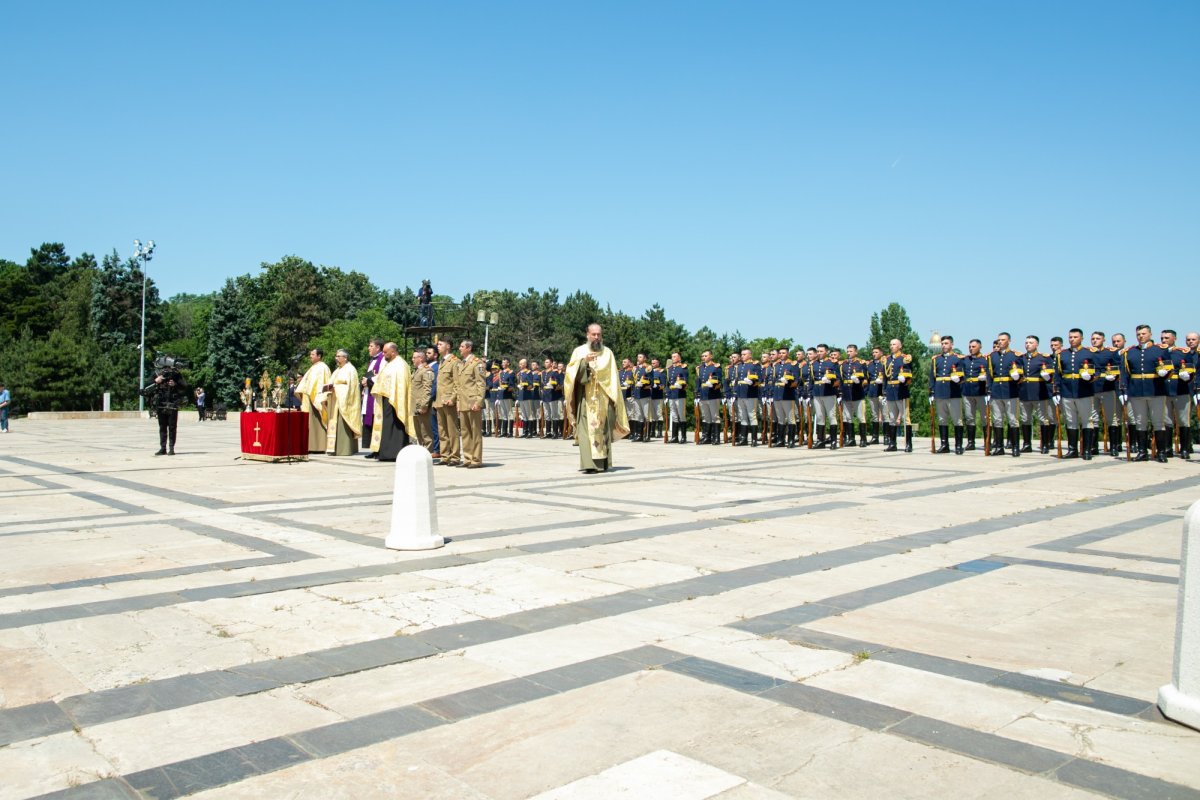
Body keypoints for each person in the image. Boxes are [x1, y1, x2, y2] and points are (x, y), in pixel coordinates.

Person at [565, 324, 630, 473]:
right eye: (593, 334)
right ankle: (589, 465)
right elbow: (570, 374)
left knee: (602, 430)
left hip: (603, 397)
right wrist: (584, 363)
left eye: (599, 334)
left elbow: (612, 377)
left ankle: (602, 464)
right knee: (584, 431)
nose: (596, 337)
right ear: (587, 335)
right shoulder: (579, 351)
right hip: (585, 397)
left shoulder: (608, 353)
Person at [1123, 324, 1170, 462]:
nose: (1141, 336)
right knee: (1140, 422)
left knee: (1158, 422)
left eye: (1143, 334)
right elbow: (1125, 373)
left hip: (1156, 389)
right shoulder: (1130, 352)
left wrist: (1165, 373)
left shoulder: (1160, 350)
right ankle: (1142, 452)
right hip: (1136, 391)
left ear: (1150, 334)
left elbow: (1169, 368)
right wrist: (1124, 390)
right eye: (1138, 334)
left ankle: (1161, 452)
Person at [1052, 328, 1098, 460]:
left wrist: (1091, 376)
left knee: (1086, 420)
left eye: (1075, 337)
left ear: (1081, 338)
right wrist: (1056, 391)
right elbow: (1058, 374)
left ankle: (1087, 450)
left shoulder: (1089, 353)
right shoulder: (1062, 354)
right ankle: (1072, 449)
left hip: (1083, 391)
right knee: (1070, 421)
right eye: (1070, 337)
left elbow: (1098, 371)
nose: (1072, 339)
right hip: (1067, 391)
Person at [369, 343, 412, 461]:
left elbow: (401, 384)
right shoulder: (390, 364)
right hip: (386, 399)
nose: (383, 354)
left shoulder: (400, 364)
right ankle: (386, 452)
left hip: (395, 400)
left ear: (393, 352)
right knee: (387, 427)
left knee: (395, 426)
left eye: (385, 352)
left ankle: (394, 453)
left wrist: (394, 396)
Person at [142, 358, 188, 456]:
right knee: (162, 427)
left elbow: (184, 386)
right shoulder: (156, 374)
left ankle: (171, 448)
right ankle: (163, 448)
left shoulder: (176, 374)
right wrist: (156, 381)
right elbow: (145, 387)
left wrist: (175, 384)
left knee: (172, 427)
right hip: (161, 403)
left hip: (172, 403)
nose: (166, 370)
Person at [987, 332, 1023, 457]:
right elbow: (990, 375)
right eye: (999, 340)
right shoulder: (992, 357)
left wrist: (1017, 377)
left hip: (1010, 390)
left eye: (1003, 340)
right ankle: (999, 447)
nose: (1000, 342)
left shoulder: (1015, 356)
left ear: (1009, 341)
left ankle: (1015, 447)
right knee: (997, 420)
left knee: (1013, 420)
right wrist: (989, 390)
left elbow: (1020, 375)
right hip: (996, 391)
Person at [1018, 335, 1054, 453]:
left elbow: (1050, 377)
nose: (1028, 344)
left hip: (1039, 392)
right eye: (1026, 342)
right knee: (1025, 419)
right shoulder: (1021, 358)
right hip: (1024, 392)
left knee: (1043, 419)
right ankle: (1027, 444)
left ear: (1037, 344)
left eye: (1031, 342)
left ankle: (1045, 444)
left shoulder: (1044, 358)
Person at [455, 340, 487, 468]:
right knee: (465, 431)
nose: (460, 348)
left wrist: (479, 401)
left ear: (469, 348)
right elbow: (459, 386)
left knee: (475, 431)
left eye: (462, 346)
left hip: (473, 402)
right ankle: (467, 458)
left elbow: (481, 383)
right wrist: (458, 402)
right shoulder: (461, 364)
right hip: (463, 402)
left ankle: (476, 459)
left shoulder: (477, 363)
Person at [929, 335, 964, 454]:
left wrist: (958, 379)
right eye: (942, 343)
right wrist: (931, 391)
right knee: (942, 419)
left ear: (951, 345)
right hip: (940, 392)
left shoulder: (958, 358)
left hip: (953, 392)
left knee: (957, 420)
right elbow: (932, 377)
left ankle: (958, 445)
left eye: (946, 343)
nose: (944, 346)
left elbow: (962, 377)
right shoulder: (936, 359)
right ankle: (944, 444)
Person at [322, 349, 361, 456]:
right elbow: (331, 382)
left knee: (342, 425)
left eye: (338, 356)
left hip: (344, 402)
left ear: (345, 358)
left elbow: (351, 388)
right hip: (335, 401)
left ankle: (344, 449)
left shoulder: (350, 369)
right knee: (335, 423)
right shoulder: (337, 370)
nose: (336, 358)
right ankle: (334, 449)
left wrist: (336, 388)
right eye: (336, 356)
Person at [296, 349, 332, 453]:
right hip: (309, 399)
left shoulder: (323, 367)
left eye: (312, 354)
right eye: (310, 354)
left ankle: (319, 446)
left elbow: (322, 383)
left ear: (319, 356)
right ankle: (311, 446)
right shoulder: (312, 368)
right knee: (310, 423)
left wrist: (319, 396)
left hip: (316, 399)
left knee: (317, 423)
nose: (310, 356)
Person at [433, 339, 461, 466]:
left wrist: (453, 398)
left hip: (449, 400)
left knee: (452, 430)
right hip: (439, 401)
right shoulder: (441, 361)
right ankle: (445, 456)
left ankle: (455, 456)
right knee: (442, 430)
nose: (437, 347)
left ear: (448, 346)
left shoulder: (454, 362)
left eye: (440, 344)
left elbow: (457, 383)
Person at [883, 338, 913, 452]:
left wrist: (904, 380)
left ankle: (908, 444)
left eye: (894, 344)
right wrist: (884, 391)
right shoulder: (886, 360)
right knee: (892, 418)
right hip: (890, 390)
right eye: (890, 344)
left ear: (900, 346)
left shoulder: (905, 359)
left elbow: (910, 375)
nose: (892, 346)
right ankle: (892, 443)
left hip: (901, 390)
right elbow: (885, 378)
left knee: (905, 418)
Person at [960, 340, 988, 451]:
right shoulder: (965, 360)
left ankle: (987, 441)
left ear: (980, 347)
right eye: (970, 346)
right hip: (967, 391)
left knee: (984, 418)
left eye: (973, 346)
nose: (971, 348)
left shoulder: (985, 360)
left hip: (981, 392)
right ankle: (971, 442)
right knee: (969, 417)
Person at [839, 344, 868, 448]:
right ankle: (851, 439)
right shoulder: (843, 364)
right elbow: (841, 380)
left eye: (851, 351)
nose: (849, 353)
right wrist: (841, 392)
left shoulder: (861, 363)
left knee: (861, 417)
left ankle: (863, 439)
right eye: (847, 351)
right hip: (846, 393)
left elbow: (865, 380)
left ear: (856, 352)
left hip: (857, 392)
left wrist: (858, 382)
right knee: (848, 417)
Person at [360, 338, 385, 453]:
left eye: (371, 346)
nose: (368, 348)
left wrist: (368, 381)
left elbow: (382, 375)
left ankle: (378, 449)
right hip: (368, 392)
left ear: (378, 348)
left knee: (376, 420)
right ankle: (373, 449)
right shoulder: (372, 360)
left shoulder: (383, 359)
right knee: (368, 420)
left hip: (375, 396)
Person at [695, 350, 723, 445]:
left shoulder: (716, 367)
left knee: (715, 417)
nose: (703, 358)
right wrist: (697, 394)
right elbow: (698, 382)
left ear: (711, 356)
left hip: (713, 395)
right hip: (703, 395)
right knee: (705, 417)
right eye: (702, 356)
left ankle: (716, 438)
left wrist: (713, 385)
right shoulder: (700, 368)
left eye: (706, 356)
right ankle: (706, 437)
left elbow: (719, 382)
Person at [410, 350, 435, 451]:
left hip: (421, 406)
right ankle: (421, 451)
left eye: (414, 357)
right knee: (418, 432)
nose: (412, 360)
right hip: (415, 406)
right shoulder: (417, 370)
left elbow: (427, 389)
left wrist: (424, 405)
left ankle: (428, 452)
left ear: (420, 358)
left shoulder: (427, 370)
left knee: (425, 432)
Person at [665, 352, 689, 443]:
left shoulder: (683, 368)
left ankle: (683, 437)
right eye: (672, 357)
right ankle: (674, 437)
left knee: (681, 416)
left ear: (679, 358)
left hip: (680, 394)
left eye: (675, 356)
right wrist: (667, 394)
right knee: (674, 416)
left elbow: (686, 381)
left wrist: (681, 386)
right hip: (671, 395)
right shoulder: (670, 369)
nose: (673, 358)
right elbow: (668, 383)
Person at [541, 358, 564, 439]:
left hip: (553, 395)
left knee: (555, 415)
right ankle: (548, 432)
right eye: (545, 362)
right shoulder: (543, 373)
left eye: (547, 362)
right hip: (545, 396)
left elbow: (560, 384)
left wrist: (554, 385)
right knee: (547, 415)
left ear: (551, 364)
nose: (545, 363)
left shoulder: (555, 372)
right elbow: (542, 384)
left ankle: (555, 433)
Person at [516, 358, 538, 438]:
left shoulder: (528, 372)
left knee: (529, 415)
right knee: (524, 415)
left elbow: (531, 384)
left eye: (521, 364)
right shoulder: (519, 374)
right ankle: (525, 431)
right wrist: (517, 398)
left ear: (525, 364)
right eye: (519, 364)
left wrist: (525, 385)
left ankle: (530, 432)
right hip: (521, 396)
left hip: (527, 395)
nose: (520, 365)